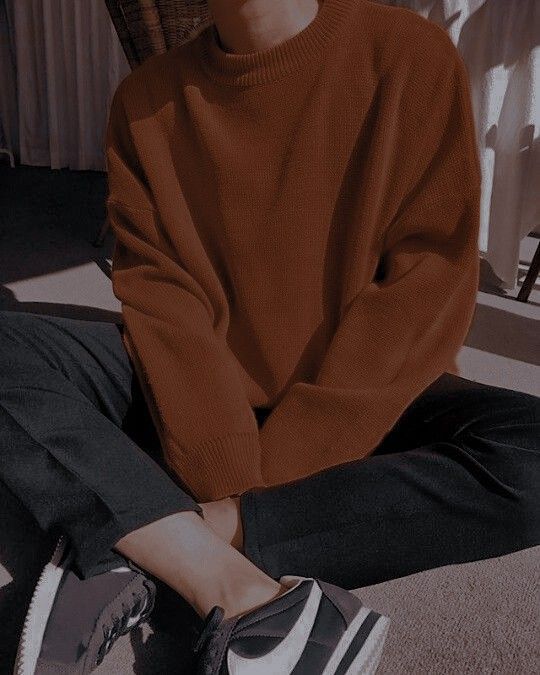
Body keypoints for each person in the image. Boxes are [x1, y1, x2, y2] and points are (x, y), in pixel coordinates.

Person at [4, 0, 539, 673]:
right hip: (194, 400)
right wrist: (230, 473)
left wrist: (257, 493)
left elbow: (421, 292)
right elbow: (164, 303)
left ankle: (142, 536)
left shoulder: (411, 57)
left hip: (370, 402)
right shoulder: (144, 101)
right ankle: (221, 580)